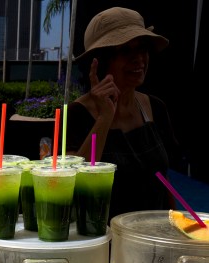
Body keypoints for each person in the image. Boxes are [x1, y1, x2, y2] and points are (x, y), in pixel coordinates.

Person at [65, 7, 180, 219]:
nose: (139, 59)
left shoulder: (155, 107)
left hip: (153, 236)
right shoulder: (77, 114)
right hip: (105, 240)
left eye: (142, 49)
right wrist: (104, 119)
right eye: (126, 50)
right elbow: (74, 184)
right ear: (100, 62)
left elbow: (164, 180)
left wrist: (177, 227)